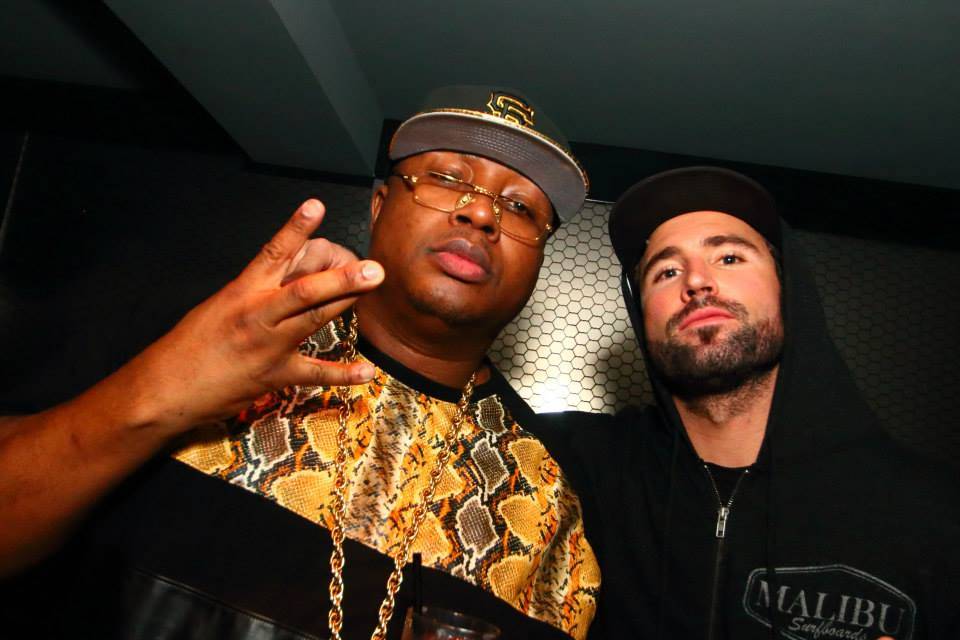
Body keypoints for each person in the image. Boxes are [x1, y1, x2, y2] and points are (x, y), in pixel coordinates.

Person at [0, 86, 599, 639]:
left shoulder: (547, 494)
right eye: (446, 178)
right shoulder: (190, 336)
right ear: (379, 206)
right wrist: (153, 396)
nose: (483, 214)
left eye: (521, 208)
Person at [540, 167, 960, 639]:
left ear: (787, 289)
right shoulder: (571, 468)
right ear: (642, 317)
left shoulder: (934, 514)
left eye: (730, 257)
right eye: (667, 271)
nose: (697, 281)